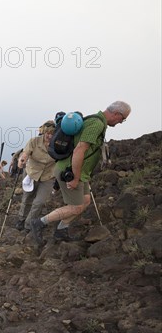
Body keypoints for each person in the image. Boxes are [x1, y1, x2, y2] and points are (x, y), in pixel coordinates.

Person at [30, 101, 131, 245]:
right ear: (117, 114)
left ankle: (61, 230)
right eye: (123, 119)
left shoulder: (95, 120)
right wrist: (75, 178)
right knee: (76, 206)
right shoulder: (97, 124)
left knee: (85, 201)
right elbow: (79, 150)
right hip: (70, 171)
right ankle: (39, 223)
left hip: (78, 171)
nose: (121, 122)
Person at [15, 121, 56, 232]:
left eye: (52, 133)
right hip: (32, 173)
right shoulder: (34, 141)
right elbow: (25, 153)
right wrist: (21, 160)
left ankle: (29, 225)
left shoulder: (58, 145)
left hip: (48, 176)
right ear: (43, 132)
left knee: (39, 202)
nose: (49, 136)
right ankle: (21, 219)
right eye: (47, 133)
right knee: (27, 198)